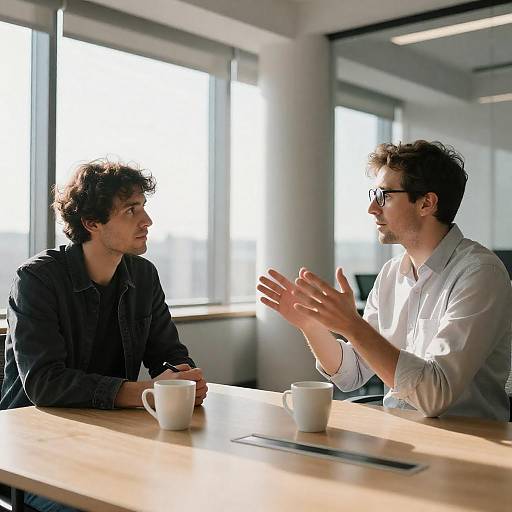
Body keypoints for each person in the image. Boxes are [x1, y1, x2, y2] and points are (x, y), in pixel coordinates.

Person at [0, 160, 208, 511]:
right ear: (91, 223)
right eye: (131, 210)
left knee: (191, 489)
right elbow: (44, 384)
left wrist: (183, 380)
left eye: (144, 206)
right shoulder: (36, 280)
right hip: (33, 448)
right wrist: (143, 393)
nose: (147, 221)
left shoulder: (143, 275)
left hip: (108, 435)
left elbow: (168, 352)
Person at [258, 140, 511, 421]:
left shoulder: (480, 274)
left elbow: (435, 394)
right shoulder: (391, 274)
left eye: (385, 196)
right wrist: (311, 325)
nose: (372, 208)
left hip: (470, 444)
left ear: (426, 203)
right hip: (400, 436)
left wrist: (352, 326)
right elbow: (352, 374)